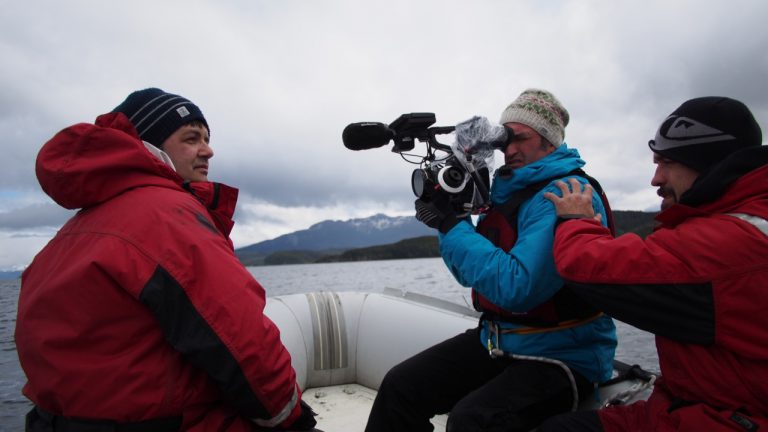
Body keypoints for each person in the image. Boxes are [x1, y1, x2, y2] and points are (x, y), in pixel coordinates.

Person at [16, 88, 318, 431]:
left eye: (206, 138)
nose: (208, 150)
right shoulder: (164, 215)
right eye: (192, 138)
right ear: (148, 146)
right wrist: (291, 417)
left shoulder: (76, 230)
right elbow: (242, 342)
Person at [365, 89, 618, 432]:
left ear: (549, 140)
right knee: (400, 387)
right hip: (499, 342)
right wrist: (451, 214)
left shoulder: (565, 194)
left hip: (565, 356)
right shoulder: (507, 193)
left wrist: (451, 225)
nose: (510, 149)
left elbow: (517, 287)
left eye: (521, 139)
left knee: (473, 421)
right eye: (504, 140)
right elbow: (469, 274)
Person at [539, 96, 768, 431]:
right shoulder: (749, 219)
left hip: (727, 416)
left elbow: (587, 266)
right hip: (705, 401)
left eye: (666, 163)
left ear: (708, 163)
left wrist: (576, 219)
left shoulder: (730, 243)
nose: (655, 179)